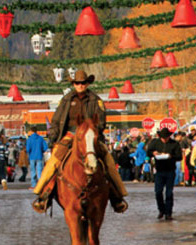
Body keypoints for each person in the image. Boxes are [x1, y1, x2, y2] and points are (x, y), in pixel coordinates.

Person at [32, 70, 128, 214]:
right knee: (53, 162)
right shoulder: (66, 100)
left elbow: (101, 122)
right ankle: (43, 194)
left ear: (87, 83)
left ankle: (118, 196)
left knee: (108, 162)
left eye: (83, 83)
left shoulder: (96, 100)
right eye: (77, 83)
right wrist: (53, 136)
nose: (80, 85)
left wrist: (90, 130)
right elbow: (56, 121)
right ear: (74, 84)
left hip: (89, 135)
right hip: (69, 135)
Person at [146, 128, 181, 221]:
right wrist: (153, 153)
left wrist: (171, 156)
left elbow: (179, 156)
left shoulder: (174, 144)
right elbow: (148, 152)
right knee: (158, 192)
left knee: (169, 193)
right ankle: (161, 210)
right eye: (163, 138)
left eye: (166, 137)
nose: (164, 139)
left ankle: (168, 213)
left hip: (170, 170)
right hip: (159, 171)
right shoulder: (155, 143)